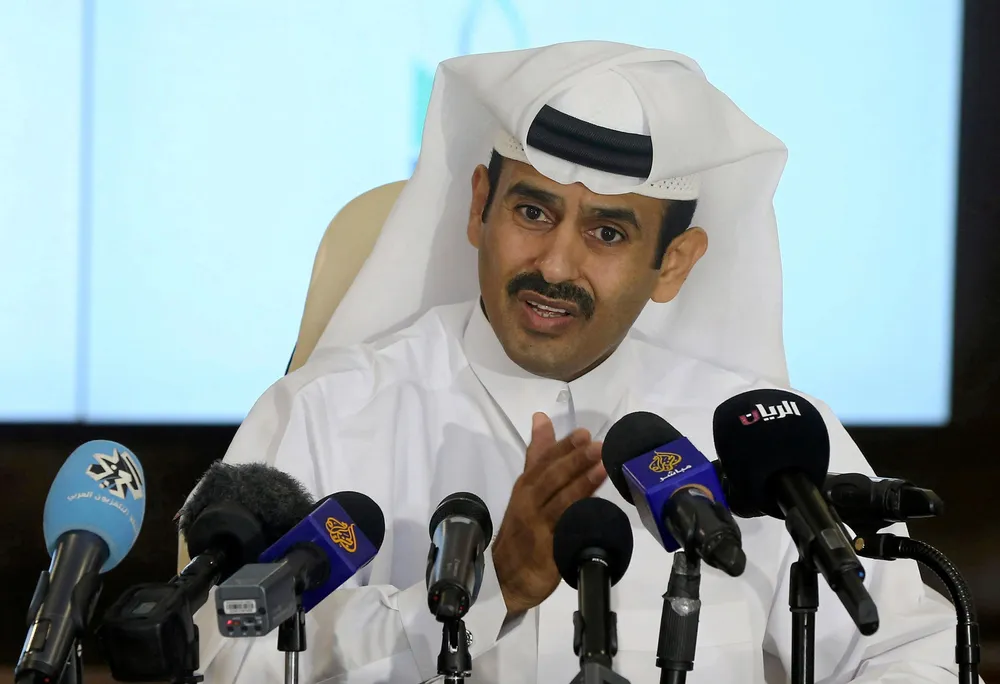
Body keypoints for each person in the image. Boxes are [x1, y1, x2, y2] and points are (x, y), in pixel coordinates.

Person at [193, 42, 968, 683]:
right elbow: (227, 655)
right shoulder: (327, 412)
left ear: (674, 263)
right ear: (478, 207)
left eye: (607, 232)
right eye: (532, 211)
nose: (556, 266)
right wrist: (492, 589)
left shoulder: (760, 443)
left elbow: (915, 652)